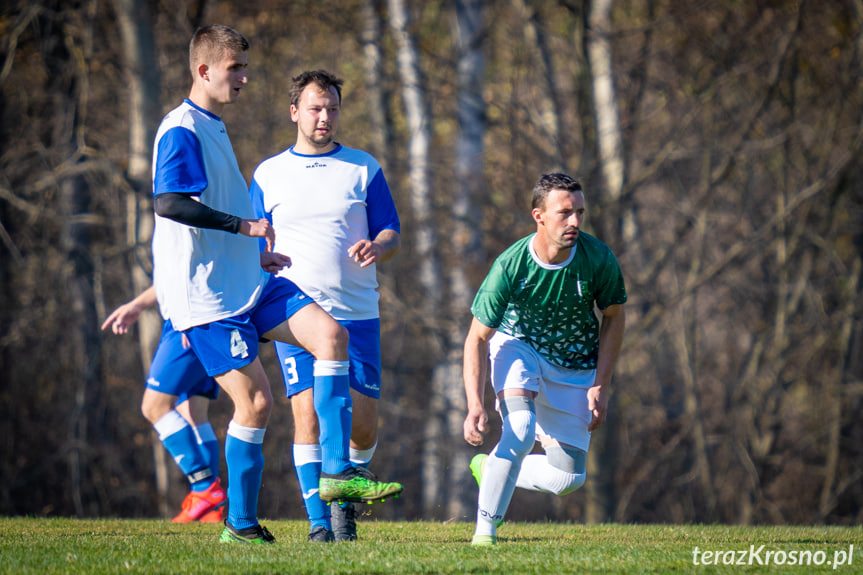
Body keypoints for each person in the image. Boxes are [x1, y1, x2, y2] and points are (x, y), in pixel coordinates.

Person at [151, 25, 402, 545]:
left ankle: (337, 475)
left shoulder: (213, 124)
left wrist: (254, 252)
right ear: (204, 71)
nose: (244, 77)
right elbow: (168, 204)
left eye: (244, 67)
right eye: (235, 68)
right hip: (212, 296)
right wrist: (244, 229)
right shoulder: (182, 128)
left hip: (253, 278)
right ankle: (240, 524)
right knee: (258, 405)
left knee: (331, 337)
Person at [249, 69, 401, 543]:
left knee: (363, 424)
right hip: (295, 311)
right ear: (295, 112)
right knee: (307, 417)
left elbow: (392, 230)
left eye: (332, 108)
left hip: (358, 312)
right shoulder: (268, 173)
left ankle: (348, 494)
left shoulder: (362, 167)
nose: (325, 117)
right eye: (315, 108)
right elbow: (253, 239)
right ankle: (322, 523)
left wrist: (378, 245)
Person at [462, 173, 627, 546]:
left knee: (568, 479)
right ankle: (485, 534)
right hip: (518, 347)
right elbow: (476, 338)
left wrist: (600, 384)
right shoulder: (510, 265)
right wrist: (475, 404)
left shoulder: (597, 258)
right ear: (538, 215)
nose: (575, 222)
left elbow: (615, 317)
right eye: (565, 213)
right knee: (518, 430)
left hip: (574, 366)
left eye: (580, 213)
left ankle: (492, 467)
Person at [101, 286, 226, 524]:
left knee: (153, 407)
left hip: (188, 322)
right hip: (208, 318)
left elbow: (178, 271)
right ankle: (212, 507)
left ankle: (204, 487)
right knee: (193, 412)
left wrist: (140, 306)